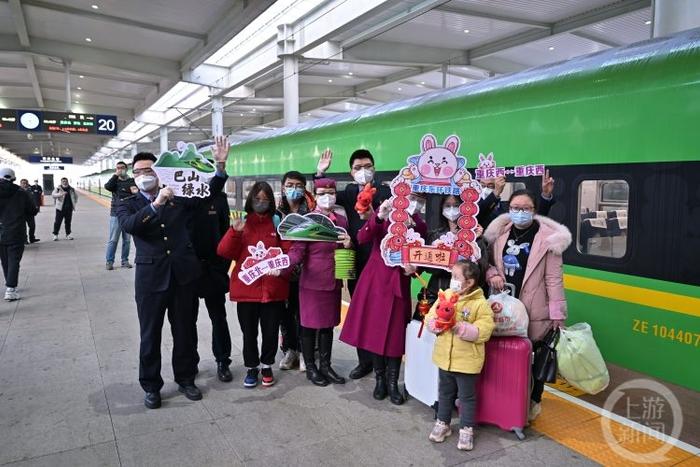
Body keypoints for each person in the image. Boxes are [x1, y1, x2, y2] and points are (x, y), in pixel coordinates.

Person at [116, 136, 229, 409]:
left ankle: (186, 378)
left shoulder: (180, 196)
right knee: (150, 334)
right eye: (139, 171)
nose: (144, 175)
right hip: (150, 279)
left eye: (149, 170)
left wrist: (220, 166)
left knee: (184, 331)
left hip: (183, 277)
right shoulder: (127, 202)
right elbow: (131, 226)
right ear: (133, 175)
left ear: (159, 172)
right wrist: (156, 205)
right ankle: (151, 386)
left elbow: (209, 194)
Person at [483, 189, 571, 421]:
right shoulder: (499, 233)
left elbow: (554, 279)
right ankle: (507, 402)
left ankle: (532, 402)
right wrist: (492, 273)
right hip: (505, 306)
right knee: (504, 356)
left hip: (534, 307)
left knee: (534, 358)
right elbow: (488, 262)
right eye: (515, 208)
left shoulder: (549, 239)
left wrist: (557, 314)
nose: (519, 213)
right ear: (508, 209)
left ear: (534, 210)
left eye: (525, 209)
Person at [339, 196, 427, 405]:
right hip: (375, 283)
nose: (411, 202)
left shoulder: (419, 225)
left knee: (396, 335)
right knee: (375, 333)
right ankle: (380, 380)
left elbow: (421, 257)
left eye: (416, 199)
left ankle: (393, 382)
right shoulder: (384, 217)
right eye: (409, 197)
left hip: (399, 285)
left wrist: (415, 268)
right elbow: (361, 238)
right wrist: (378, 216)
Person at [315, 148, 391, 380]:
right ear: (350, 172)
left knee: (380, 312)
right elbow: (323, 195)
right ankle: (364, 361)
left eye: (367, 166)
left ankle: (384, 363)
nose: (363, 171)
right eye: (358, 168)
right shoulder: (348, 193)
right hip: (354, 260)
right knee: (359, 310)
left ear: (374, 168)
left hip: (382, 262)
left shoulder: (386, 192)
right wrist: (320, 172)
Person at [217, 181, 289, 388]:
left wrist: (282, 268)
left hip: (273, 290)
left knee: (270, 332)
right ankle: (251, 367)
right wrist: (235, 232)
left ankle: (266, 366)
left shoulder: (277, 223)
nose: (261, 203)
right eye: (257, 199)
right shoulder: (242, 223)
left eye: (265, 200)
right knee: (249, 333)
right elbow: (224, 252)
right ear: (250, 200)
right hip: (246, 292)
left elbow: (289, 251)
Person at [285, 178, 351, 386]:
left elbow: (344, 254)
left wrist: (349, 247)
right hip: (312, 284)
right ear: (315, 195)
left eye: (331, 192)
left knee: (328, 327)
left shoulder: (341, 221)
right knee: (309, 327)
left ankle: (325, 366)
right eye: (322, 192)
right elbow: (297, 251)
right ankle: (311, 368)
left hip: (333, 283)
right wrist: (282, 266)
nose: (327, 196)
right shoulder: (308, 221)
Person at [425, 260, 494, 451]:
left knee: (467, 397)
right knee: (445, 393)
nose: (452, 281)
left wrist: (458, 327)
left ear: (469, 282)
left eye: (456, 277)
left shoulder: (480, 304)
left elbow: (484, 331)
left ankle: (466, 430)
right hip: (444, 359)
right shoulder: (446, 296)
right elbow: (431, 315)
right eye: (452, 276)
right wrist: (434, 325)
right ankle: (443, 424)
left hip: (467, 362)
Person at [414, 195, 487, 320]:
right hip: (436, 293)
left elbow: (481, 270)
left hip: (464, 297)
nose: (452, 209)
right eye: (448, 205)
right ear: (442, 208)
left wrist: (476, 239)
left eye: (457, 205)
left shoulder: (475, 238)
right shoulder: (434, 236)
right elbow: (421, 266)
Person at [191, 191, 233, 382]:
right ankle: (190, 361)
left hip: (213, 269)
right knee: (186, 320)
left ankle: (223, 361)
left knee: (218, 317)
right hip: (189, 271)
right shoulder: (177, 196)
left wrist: (222, 266)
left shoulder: (219, 198)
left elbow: (226, 233)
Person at [276, 170, 316, 372]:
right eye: (290, 185)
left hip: (306, 273)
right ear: (283, 187)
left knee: (303, 314)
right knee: (285, 315)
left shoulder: (310, 212)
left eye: (298, 186)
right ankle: (289, 349)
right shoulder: (275, 212)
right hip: (282, 274)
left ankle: (303, 351)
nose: (294, 189)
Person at [0, 169, 38, 301]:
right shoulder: (21, 192)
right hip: (16, 231)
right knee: (14, 260)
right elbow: (32, 210)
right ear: (14, 178)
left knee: (5, 260)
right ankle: (10, 288)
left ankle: (9, 284)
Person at [477, 171, 555, 228]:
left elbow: (536, 220)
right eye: (482, 185)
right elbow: (479, 215)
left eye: (491, 186)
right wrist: (495, 194)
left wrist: (546, 194)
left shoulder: (509, 206)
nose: (486, 189)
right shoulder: (474, 207)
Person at [104, 161, 137, 270]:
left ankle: (125, 261)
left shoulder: (131, 181)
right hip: (116, 214)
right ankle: (109, 261)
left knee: (127, 240)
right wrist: (115, 175)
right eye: (118, 168)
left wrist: (135, 192)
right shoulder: (115, 182)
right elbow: (107, 187)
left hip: (128, 214)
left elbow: (136, 193)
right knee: (113, 239)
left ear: (127, 168)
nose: (120, 169)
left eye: (122, 167)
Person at [19, 179, 39, 244]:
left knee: (32, 226)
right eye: (23, 183)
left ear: (27, 183)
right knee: (23, 227)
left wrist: (36, 207)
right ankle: (25, 240)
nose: (24, 184)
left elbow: (34, 199)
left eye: (25, 183)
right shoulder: (18, 191)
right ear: (20, 184)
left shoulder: (31, 190)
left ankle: (32, 238)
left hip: (30, 212)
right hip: (22, 212)